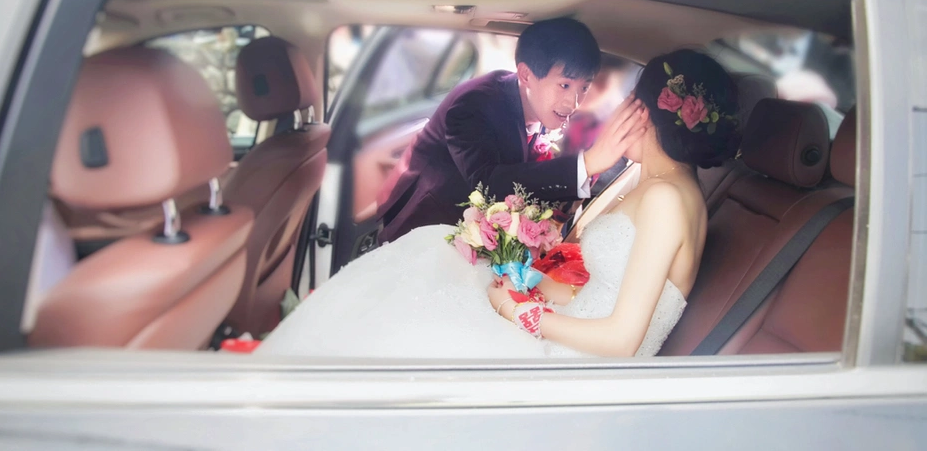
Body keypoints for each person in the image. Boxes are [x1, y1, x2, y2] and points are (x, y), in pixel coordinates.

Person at [254, 49, 741, 358]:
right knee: (432, 256)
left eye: (630, 101)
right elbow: (597, 284)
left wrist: (517, 311)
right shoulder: (648, 181)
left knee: (415, 330)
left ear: (647, 113)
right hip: (568, 329)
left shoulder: (666, 199)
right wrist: (524, 282)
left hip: (580, 368)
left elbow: (622, 340)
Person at [376, 18, 649, 243]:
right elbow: (488, 184)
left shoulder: (540, 107)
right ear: (527, 74)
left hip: (480, 236)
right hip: (427, 229)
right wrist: (586, 163)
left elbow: (527, 178)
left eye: (584, 88)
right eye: (565, 85)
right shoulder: (475, 104)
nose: (574, 103)